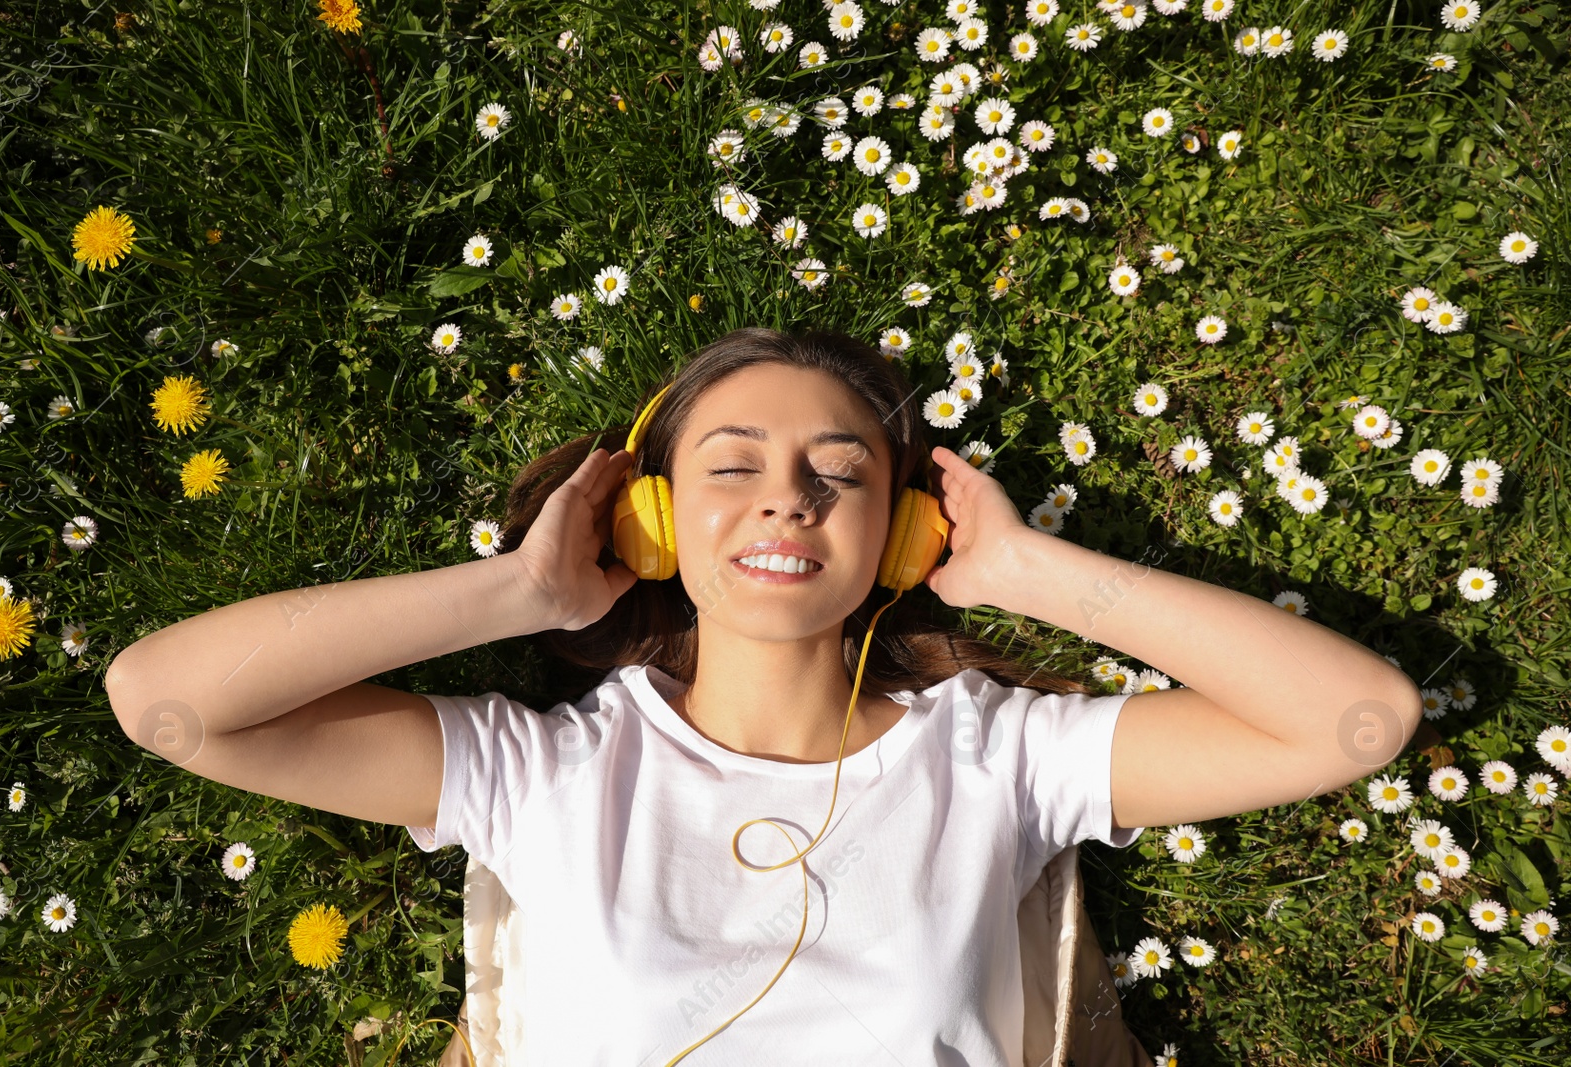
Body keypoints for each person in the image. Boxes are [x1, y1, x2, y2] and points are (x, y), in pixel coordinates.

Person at [105, 327, 1424, 1066]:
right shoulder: (544, 777)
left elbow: (1357, 721)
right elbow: (166, 702)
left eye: (839, 472)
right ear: (658, 519)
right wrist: (516, 598)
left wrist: (1030, 572)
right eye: (731, 469)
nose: (789, 495)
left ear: (902, 537)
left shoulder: (1003, 764)